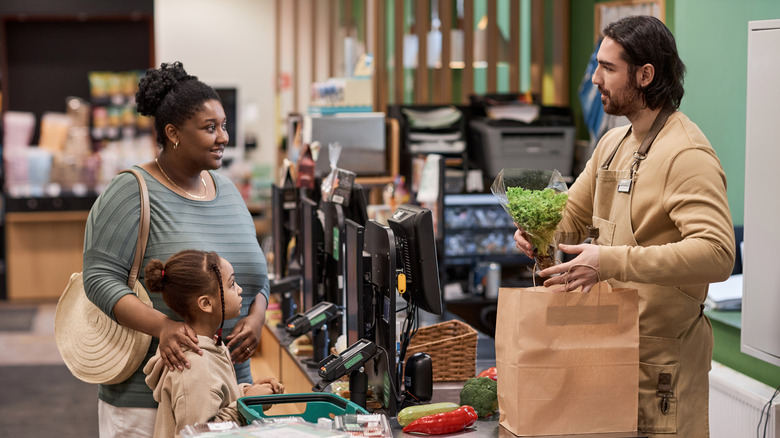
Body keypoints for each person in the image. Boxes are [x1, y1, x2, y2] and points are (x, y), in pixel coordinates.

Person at [513, 16, 735, 437]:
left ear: (645, 75)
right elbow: (571, 217)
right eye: (597, 65)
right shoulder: (613, 143)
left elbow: (717, 254)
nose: (595, 78)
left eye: (608, 68)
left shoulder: (686, 155)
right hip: (605, 352)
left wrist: (609, 262)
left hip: (660, 366)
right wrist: (538, 231)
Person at [83, 61, 270, 437]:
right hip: (148, 399)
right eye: (209, 128)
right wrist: (163, 326)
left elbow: (258, 278)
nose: (223, 137)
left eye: (224, 125)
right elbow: (99, 280)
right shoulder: (131, 191)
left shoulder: (229, 192)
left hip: (230, 391)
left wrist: (257, 318)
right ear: (173, 133)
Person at [143, 250, 284, 438]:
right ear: (206, 303)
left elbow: (216, 402)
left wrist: (249, 392)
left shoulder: (213, 347)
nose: (240, 289)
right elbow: (200, 434)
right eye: (232, 284)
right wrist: (248, 403)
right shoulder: (195, 367)